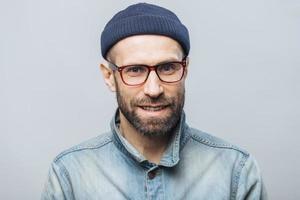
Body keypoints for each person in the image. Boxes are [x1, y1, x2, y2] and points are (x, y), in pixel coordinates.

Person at [41, 3, 267, 200]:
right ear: (109, 77)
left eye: (167, 67)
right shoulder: (69, 175)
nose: (153, 89)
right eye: (135, 70)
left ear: (185, 69)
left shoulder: (236, 172)